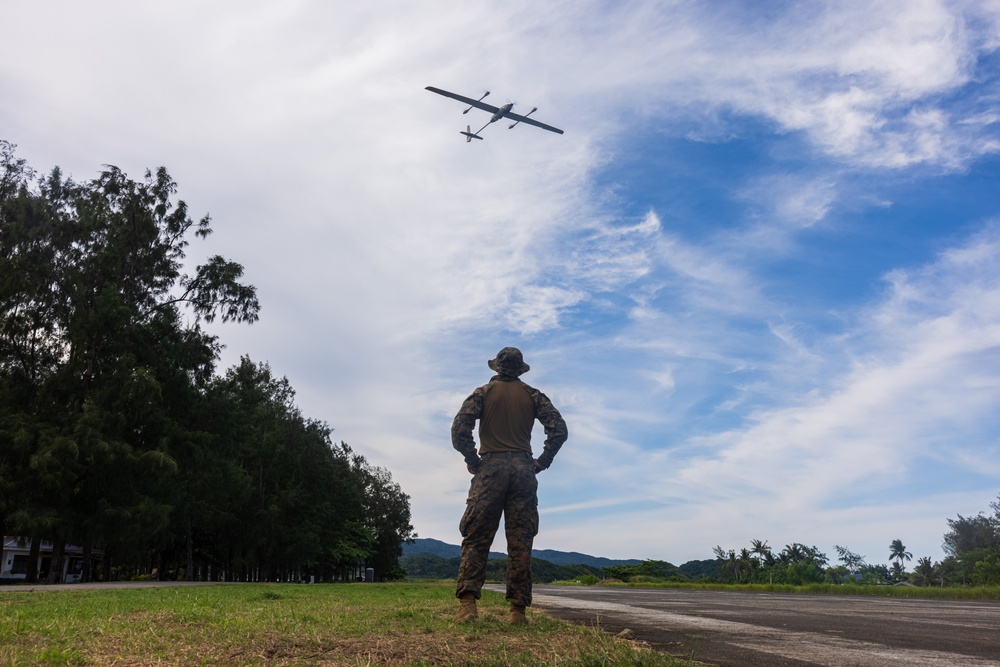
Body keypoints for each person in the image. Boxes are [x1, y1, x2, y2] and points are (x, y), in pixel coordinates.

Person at [451, 347, 568, 625]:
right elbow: (559, 428)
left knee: (477, 535)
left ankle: (468, 606)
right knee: (520, 541)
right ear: (520, 369)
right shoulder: (532, 395)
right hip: (524, 470)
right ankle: (518, 612)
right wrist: (543, 461)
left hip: (490, 467)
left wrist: (471, 458)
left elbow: (459, 429)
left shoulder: (483, 393)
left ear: (497, 368)